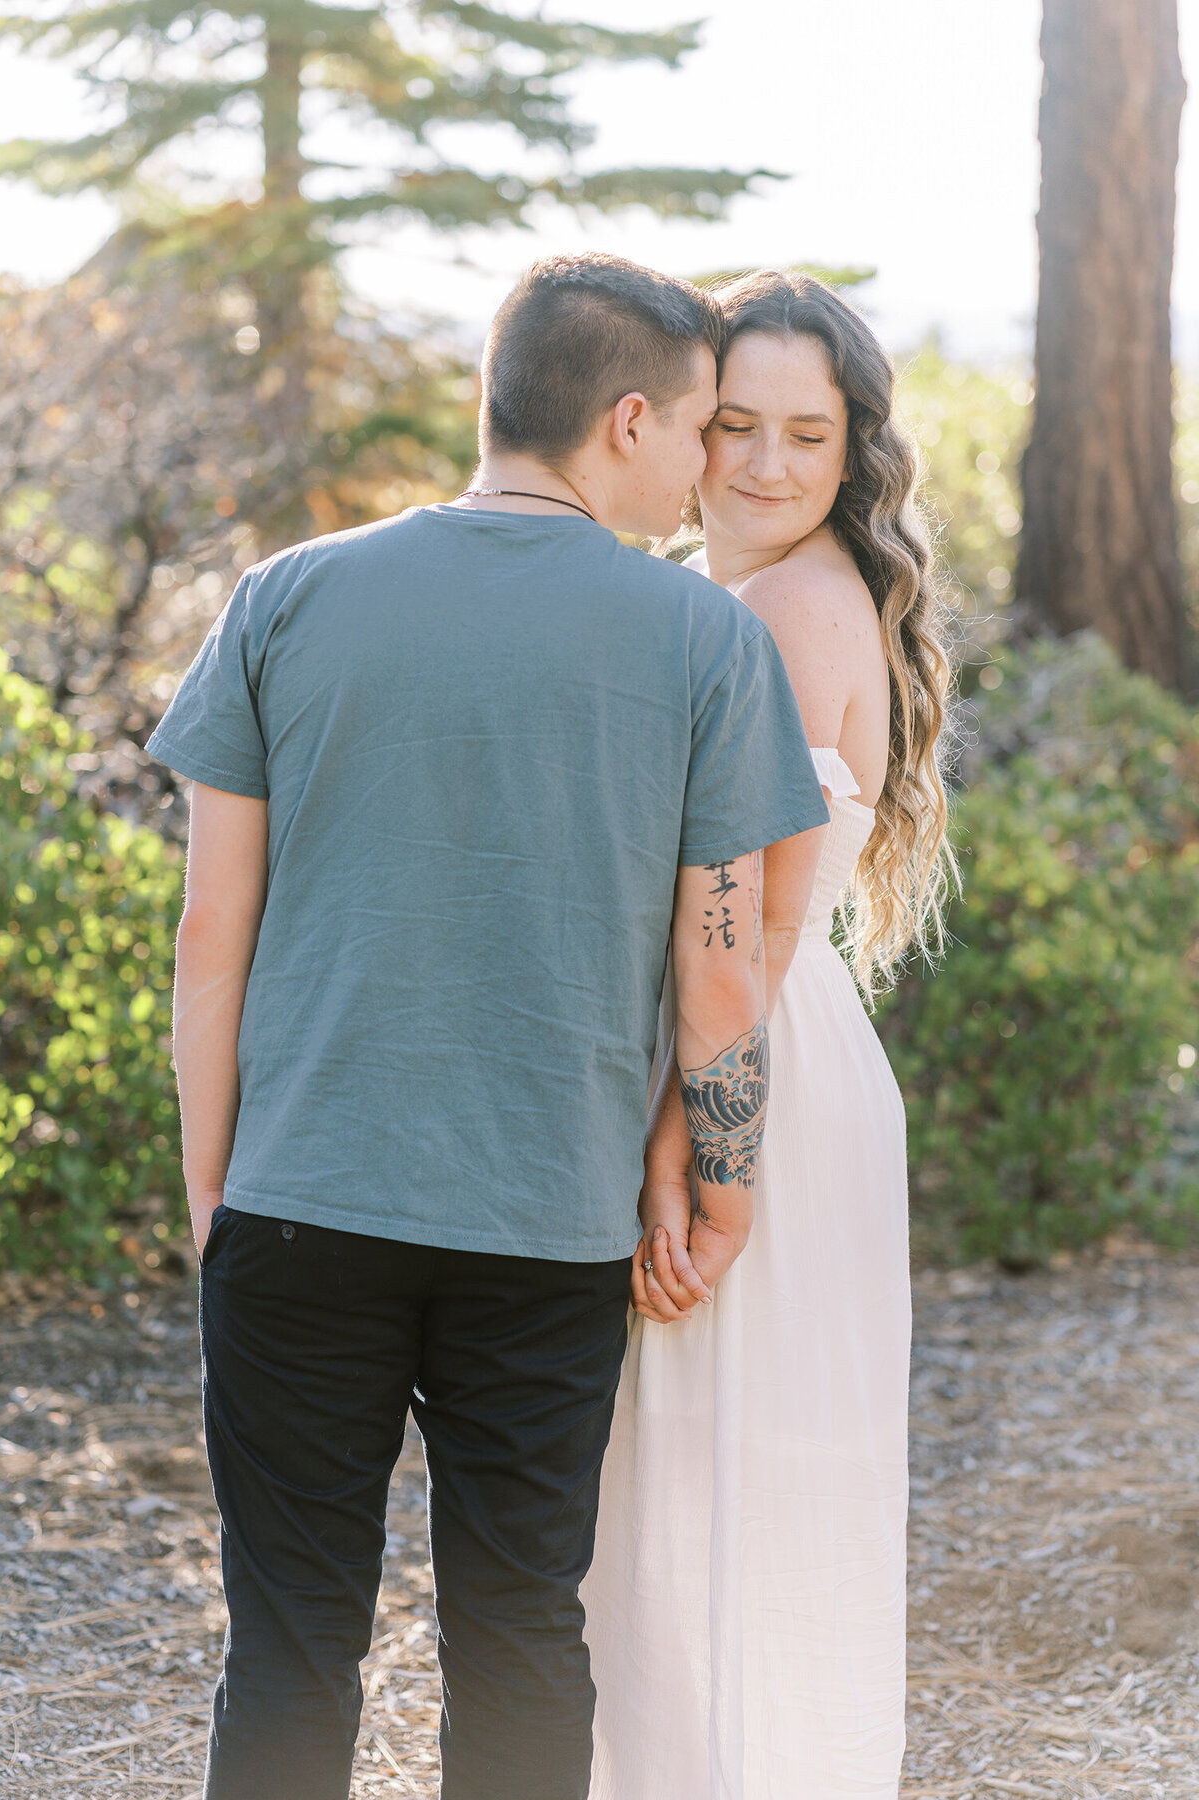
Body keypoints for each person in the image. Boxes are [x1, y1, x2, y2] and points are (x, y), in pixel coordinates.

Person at [144, 252, 829, 1800]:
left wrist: (215, 1188)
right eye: (704, 426)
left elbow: (211, 940)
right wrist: (721, 1195)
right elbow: (721, 973)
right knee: (523, 1632)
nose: (709, 467)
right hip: (547, 1224)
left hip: (301, 1200)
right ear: (630, 421)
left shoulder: (286, 596)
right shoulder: (702, 641)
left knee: (292, 1641)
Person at [583, 270, 959, 1800]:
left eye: (811, 433)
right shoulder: (722, 595)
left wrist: (687, 1139)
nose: (768, 465)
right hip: (744, 1052)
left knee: (712, 1483)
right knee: (688, 1491)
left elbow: (767, 921)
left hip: (754, 1076)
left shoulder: (794, 606)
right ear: (680, 420)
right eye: (735, 424)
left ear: (853, 449)